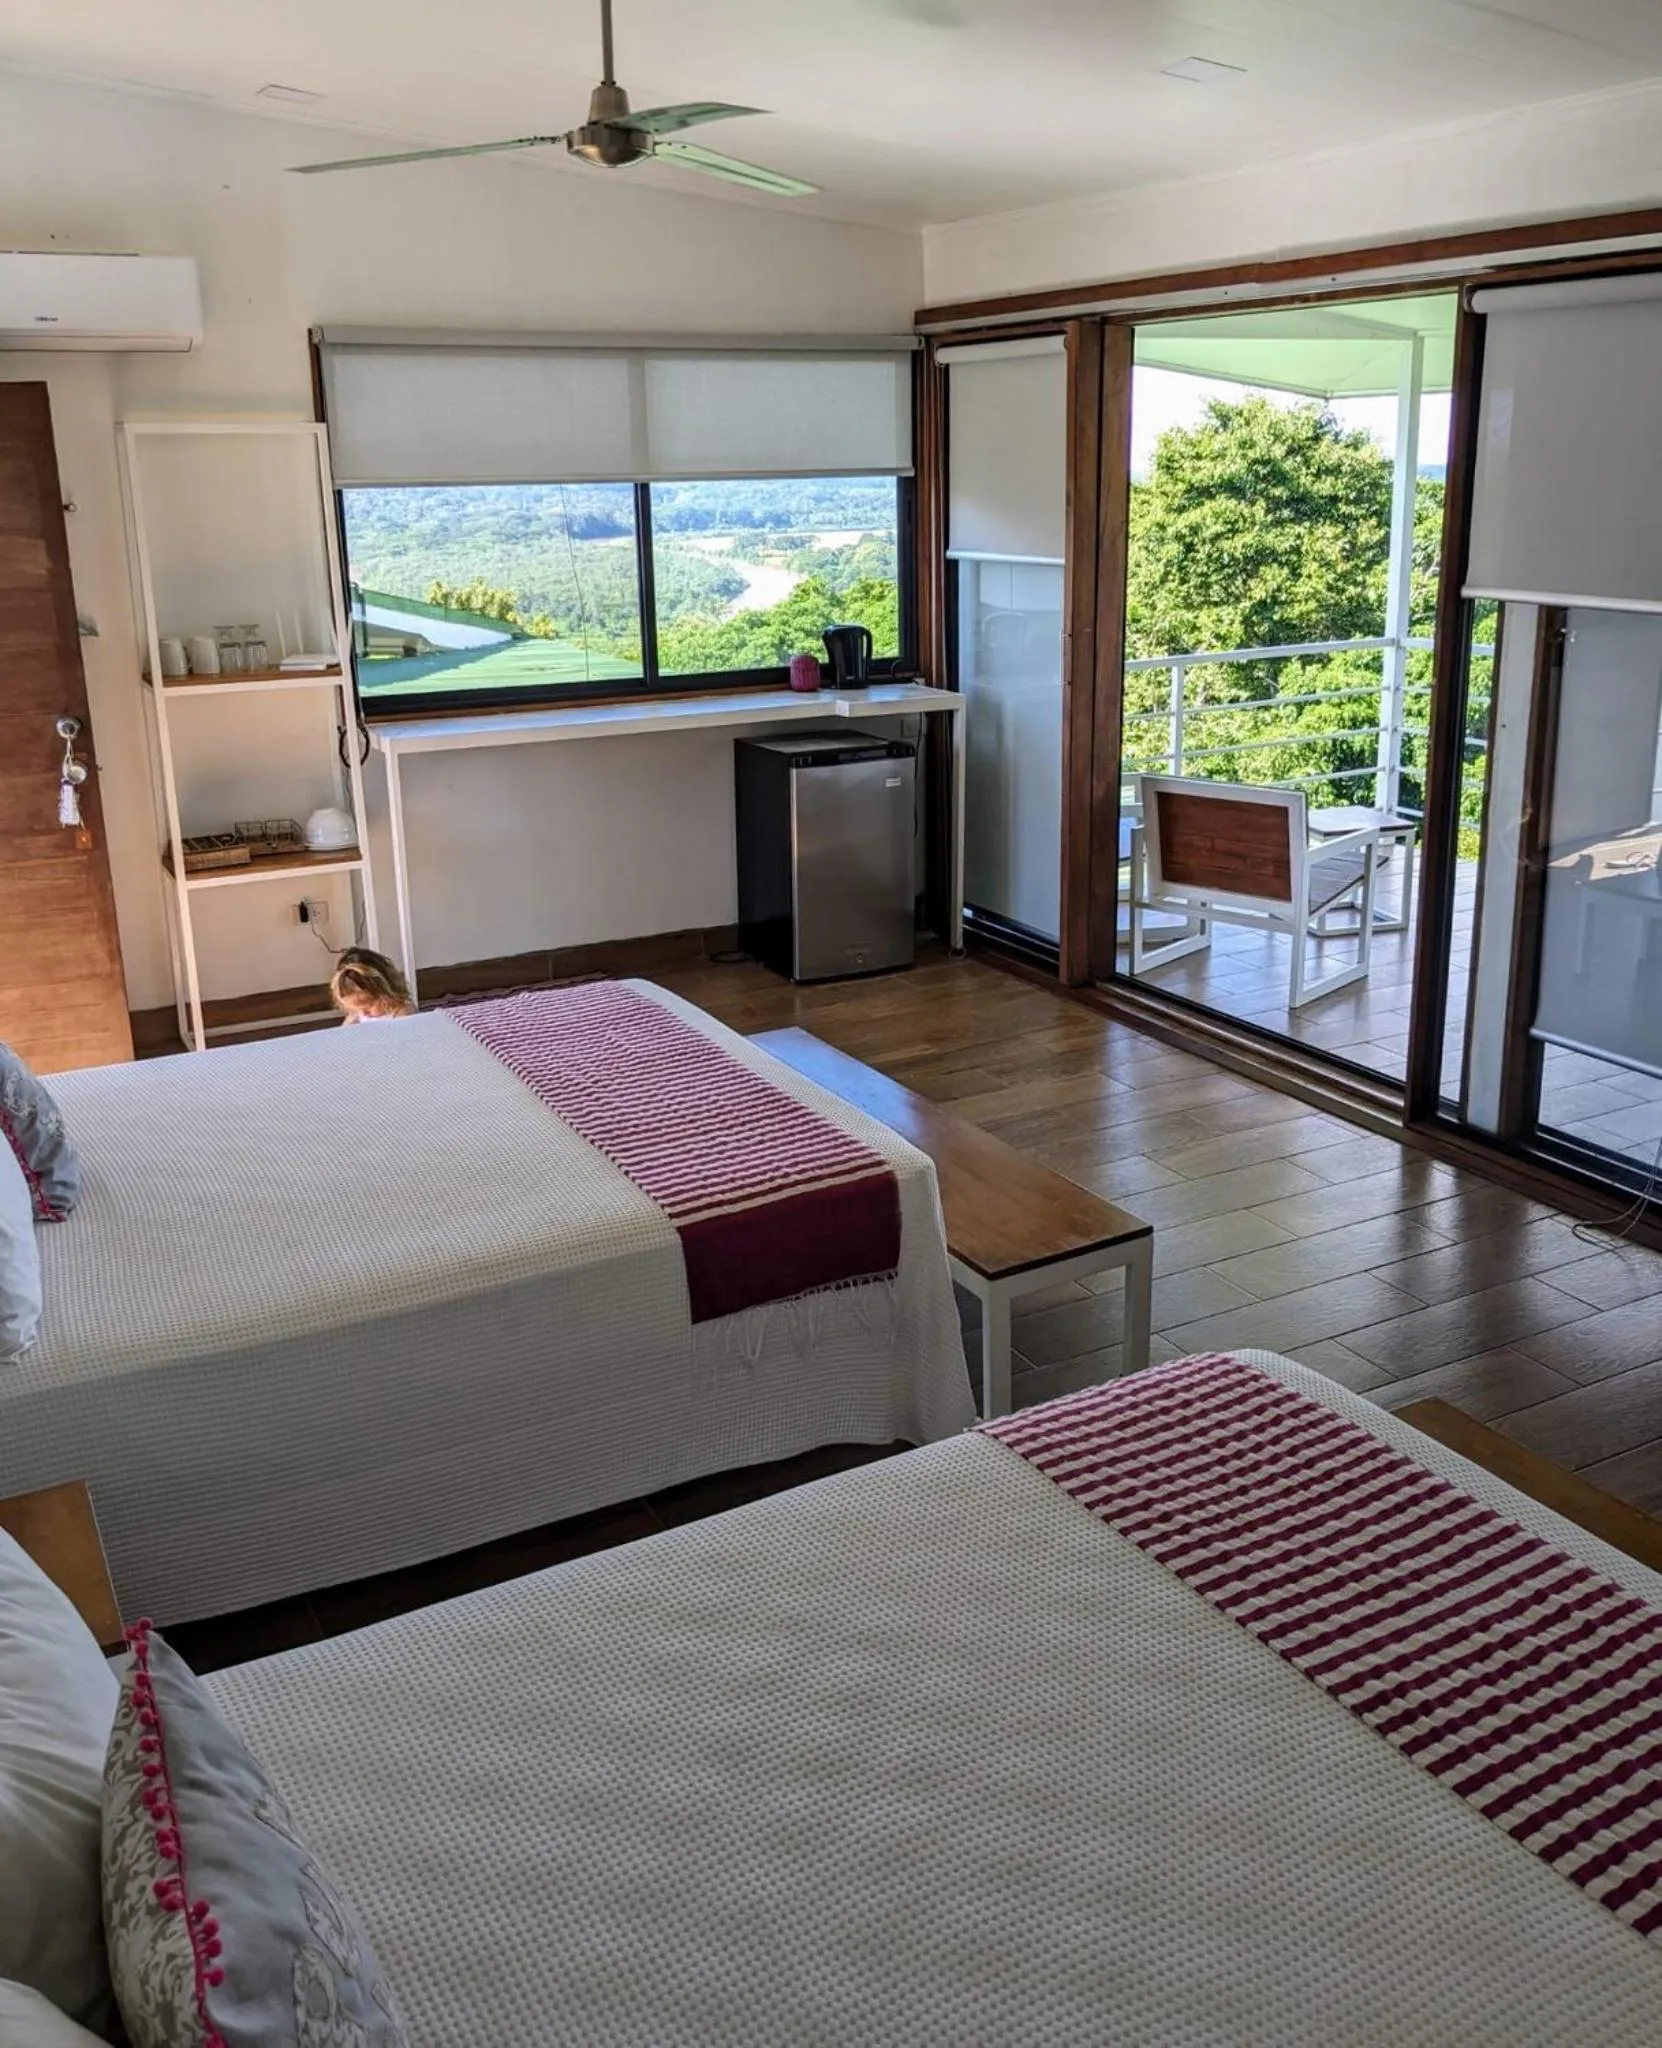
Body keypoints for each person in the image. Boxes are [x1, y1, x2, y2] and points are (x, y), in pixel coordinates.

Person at [330, 947, 416, 1024]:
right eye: (357, 1008)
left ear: (386, 994)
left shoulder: (402, 1013)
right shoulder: (357, 1015)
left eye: (368, 1007)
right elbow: (343, 1035)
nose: (364, 1013)